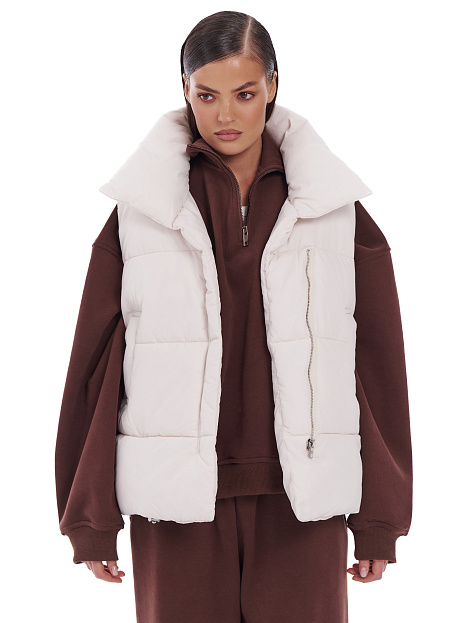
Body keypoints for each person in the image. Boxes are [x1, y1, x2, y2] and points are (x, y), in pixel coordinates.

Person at [55, 10, 413, 623]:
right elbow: (96, 366)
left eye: (244, 94)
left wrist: (379, 518)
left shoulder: (335, 212)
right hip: (173, 502)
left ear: (272, 85)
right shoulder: (142, 212)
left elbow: (377, 366)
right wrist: (91, 519)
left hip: (303, 498)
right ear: (185, 90)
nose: (225, 115)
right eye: (207, 95)